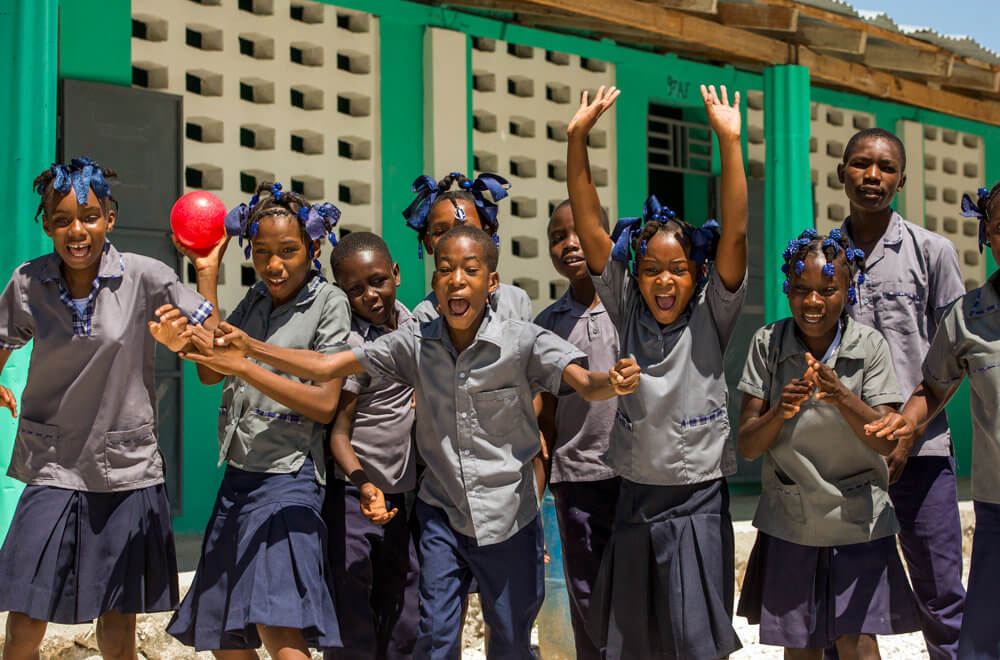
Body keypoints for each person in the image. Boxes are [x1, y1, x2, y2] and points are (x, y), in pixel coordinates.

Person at [178, 224, 641, 659]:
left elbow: (584, 381)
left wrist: (612, 382)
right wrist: (248, 354)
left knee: (511, 639)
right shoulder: (413, 343)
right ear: (433, 280)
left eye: (470, 271)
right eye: (444, 270)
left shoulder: (524, 341)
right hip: (442, 517)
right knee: (435, 635)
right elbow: (325, 367)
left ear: (492, 281)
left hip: (509, 519)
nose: (456, 281)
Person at [0, 157, 216, 660]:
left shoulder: (146, 277)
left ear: (109, 219)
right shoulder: (29, 283)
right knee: (26, 613)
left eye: (90, 216)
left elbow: (209, 338)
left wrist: (207, 272)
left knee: (119, 617)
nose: (77, 230)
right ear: (47, 226)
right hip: (51, 465)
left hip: (125, 470)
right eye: (62, 220)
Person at [566, 84, 747, 660]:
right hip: (636, 497)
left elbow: (736, 231)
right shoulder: (625, 309)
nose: (663, 282)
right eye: (650, 269)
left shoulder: (714, 313)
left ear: (697, 274)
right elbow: (591, 224)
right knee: (638, 638)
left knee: (696, 640)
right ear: (634, 274)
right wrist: (577, 139)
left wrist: (729, 142)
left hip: (698, 499)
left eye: (677, 270)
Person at [158, 182, 350, 659]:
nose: (274, 265)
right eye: (261, 253)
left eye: (287, 251)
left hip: (289, 479)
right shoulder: (257, 300)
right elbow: (210, 367)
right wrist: (207, 275)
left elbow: (325, 403)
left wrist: (246, 364)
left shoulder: (329, 305)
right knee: (221, 628)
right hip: (240, 478)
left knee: (277, 622)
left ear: (314, 247)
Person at [737, 228, 920, 659]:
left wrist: (841, 396)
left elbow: (884, 443)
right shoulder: (768, 344)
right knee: (800, 644)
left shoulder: (869, 346)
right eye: (801, 290)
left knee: (857, 643)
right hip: (792, 520)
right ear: (787, 289)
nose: (813, 302)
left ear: (849, 289)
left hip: (856, 521)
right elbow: (747, 445)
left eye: (827, 290)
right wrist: (778, 412)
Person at [838, 127, 966, 660]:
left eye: (886, 167)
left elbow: (954, 353)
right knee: (842, 598)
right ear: (840, 172)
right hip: (844, 457)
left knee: (941, 595)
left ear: (903, 179)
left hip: (924, 453)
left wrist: (909, 430)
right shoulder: (823, 256)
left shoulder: (932, 252)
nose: (873, 176)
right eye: (862, 164)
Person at [866, 184, 1000, 660]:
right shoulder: (970, 316)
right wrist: (906, 426)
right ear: (988, 234)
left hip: (955, 481)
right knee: (983, 638)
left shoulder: (937, 259)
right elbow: (933, 386)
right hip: (996, 506)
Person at [324, 231, 419, 660]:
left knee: (402, 612)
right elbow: (339, 433)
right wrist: (363, 484)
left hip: (403, 497)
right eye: (355, 289)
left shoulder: (419, 327)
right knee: (352, 608)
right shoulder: (355, 348)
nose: (370, 295)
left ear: (396, 273)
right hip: (354, 495)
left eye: (378, 280)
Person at [534, 201, 619, 660]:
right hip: (576, 483)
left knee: (632, 598)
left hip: (633, 478)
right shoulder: (546, 327)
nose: (569, 243)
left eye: (579, 232)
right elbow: (544, 419)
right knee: (586, 600)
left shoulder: (634, 310)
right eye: (556, 236)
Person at [402, 171, 532, 324]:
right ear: (427, 243)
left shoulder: (517, 302)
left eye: (468, 230)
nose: (455, 241)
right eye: (441, 232)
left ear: (488, 236)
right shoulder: (425, 316)